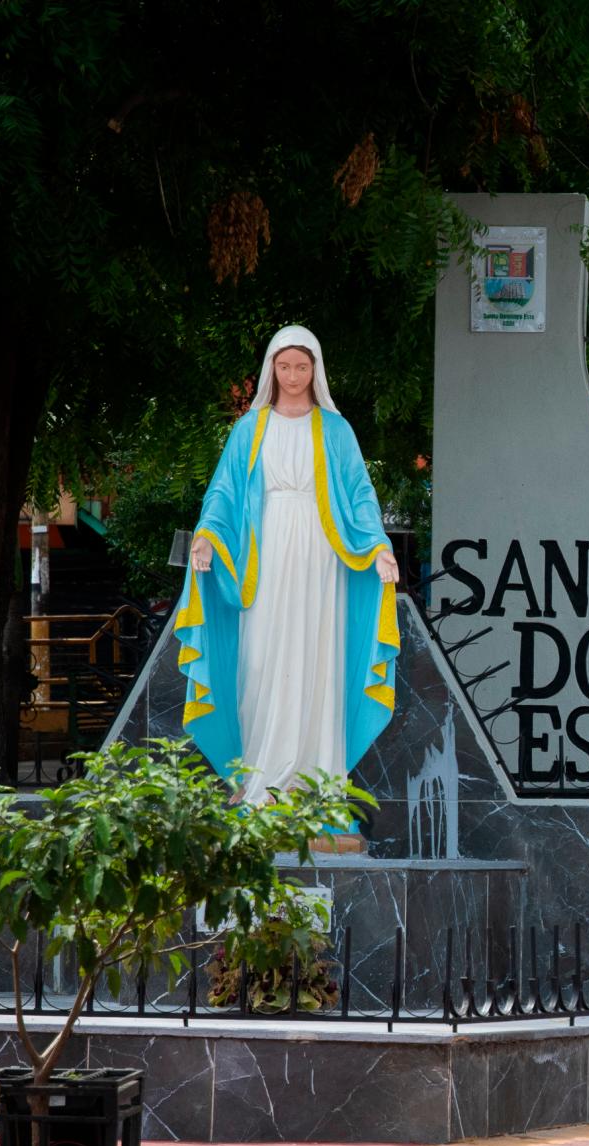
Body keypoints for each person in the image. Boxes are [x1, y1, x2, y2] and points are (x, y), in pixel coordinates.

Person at [175, 325, 401, 806]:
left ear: (315, 370)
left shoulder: (336, 430)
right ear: (271, 370)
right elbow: (224, 490)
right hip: (266, 550)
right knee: (259, 658)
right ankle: (258, 780)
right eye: (284, 366)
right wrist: (208, 536)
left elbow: (361, 493)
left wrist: (379, 545)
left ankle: (313, 785)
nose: (293, 375)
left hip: (323, 557)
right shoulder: (249, 429)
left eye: (302, 366)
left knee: (317, 657)